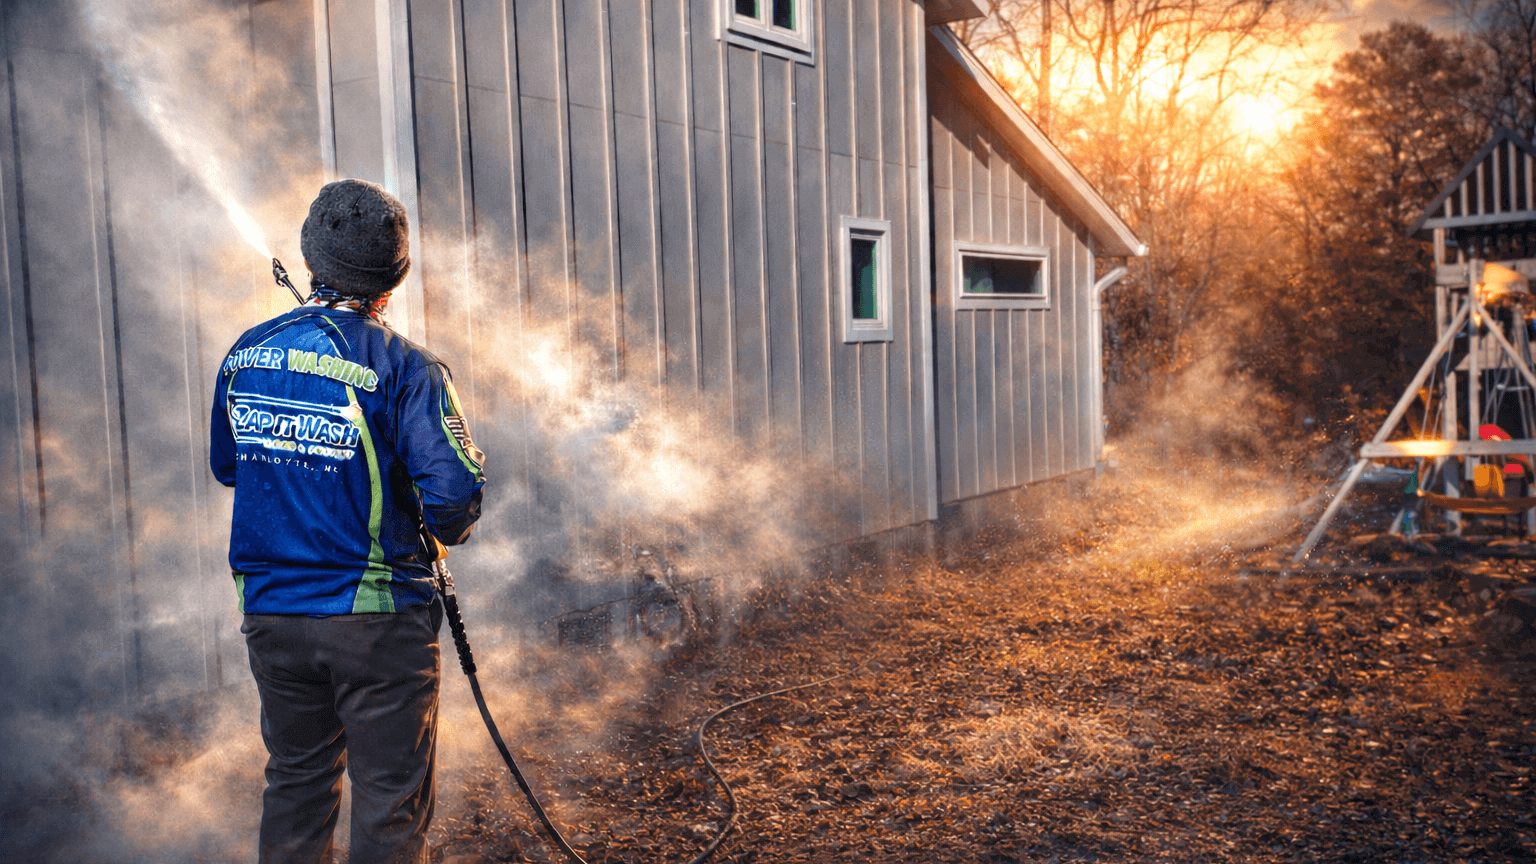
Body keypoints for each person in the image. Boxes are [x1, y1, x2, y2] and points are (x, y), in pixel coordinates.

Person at [210, 179, 486, 864]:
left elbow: (230, 466)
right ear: (394, 279)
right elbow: (454, 500)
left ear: (311, 261)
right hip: (377, 621)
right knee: (390, 802)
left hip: (272, 616)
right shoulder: (408, 368)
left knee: (296, 782)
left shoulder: (245, 353)